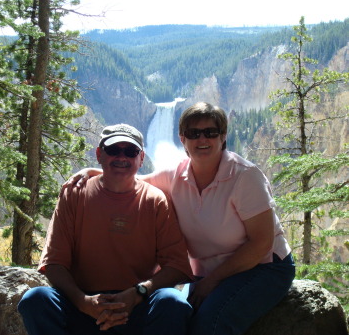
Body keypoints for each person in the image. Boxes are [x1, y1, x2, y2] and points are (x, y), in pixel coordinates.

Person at [66, 102, 296, 335]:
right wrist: (91, 172)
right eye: (193, 133)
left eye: (210, 132)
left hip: (263, 267)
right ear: (182, 139)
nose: (202, 139)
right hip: (206, 273)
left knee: (210, 325)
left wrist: (211, 282)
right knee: (178, 314)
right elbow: (134, 180)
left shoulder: (244, 177)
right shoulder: (176, 175)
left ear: (223, 136)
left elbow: (261, 243)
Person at [18, 123, 194, 335]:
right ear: (99, 154)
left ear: (141, 158)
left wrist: (138, 293)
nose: (122, 157)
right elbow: (54, 263)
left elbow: (177, 266)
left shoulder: (155, 200)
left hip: (136, 307)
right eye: (113, 150)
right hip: (82, 306)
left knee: (171, 302)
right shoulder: (74, 194)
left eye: (130, 151)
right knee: (36, 300)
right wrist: (84, 302)